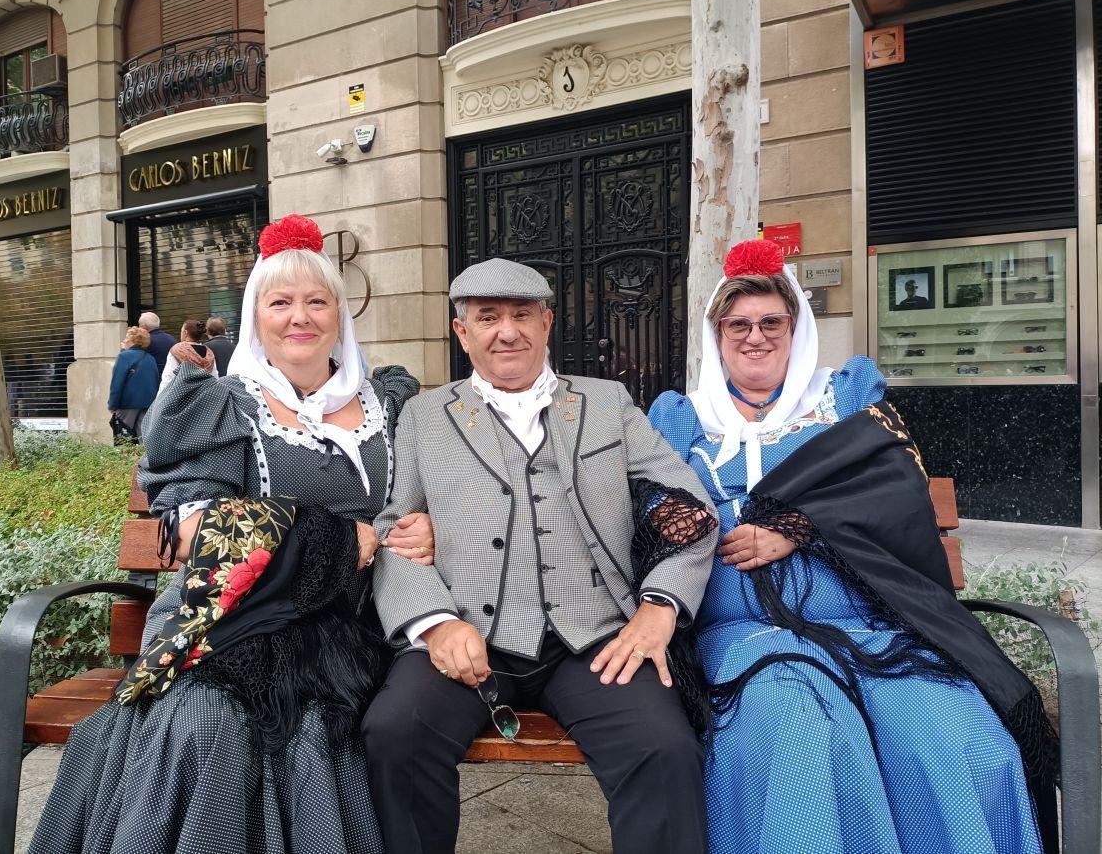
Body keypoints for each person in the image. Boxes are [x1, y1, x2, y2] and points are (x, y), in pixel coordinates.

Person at [29, 215, 434, 854]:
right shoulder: (221, 404)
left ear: (339, 316)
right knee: (207, 724)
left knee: (308, 727)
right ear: (255, 316)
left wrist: (422, 523)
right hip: (227, 616)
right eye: (280, 302)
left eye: (316, 301)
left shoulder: (390, 404)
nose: (299, 317)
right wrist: (337, 540)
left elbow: (432, 494)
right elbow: (194, 532)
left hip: (346, 626)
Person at [648, 239, 1054, 854]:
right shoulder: (684, 424)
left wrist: (797, 527)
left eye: (770, 322)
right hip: (745, 634)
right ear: (717, 334)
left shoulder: (841, 408)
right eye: (738, 325)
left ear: (795, 326)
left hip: (861, 624)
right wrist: (677, 515)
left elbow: (897, 500)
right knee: (792, 720)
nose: (754, 337)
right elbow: (646, 512)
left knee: (944, 724)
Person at [365, 258, 719, 854]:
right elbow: (392, 532)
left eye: (522, 314)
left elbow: (693, 506)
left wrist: (660, 607)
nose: (508, 331)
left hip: (593, 636)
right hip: (468, 634)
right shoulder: (425, 417)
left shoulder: (608, 403)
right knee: (394, 733)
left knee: (663, 748)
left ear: (547, 322)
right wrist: (435, 622)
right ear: (462, 333)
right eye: (488, 318)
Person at [106, 326, 158, 442]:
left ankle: (126, 460)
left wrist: (112, 405)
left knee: (124, 438)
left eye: (127, 338)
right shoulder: (150, 358)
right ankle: (143, 460)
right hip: (148, 403)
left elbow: (117, 383)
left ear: (133, 340)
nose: (124, 340)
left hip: (127, 404)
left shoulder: (124, 356)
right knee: (143, 438)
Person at [156, 318, 217, 394]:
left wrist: (160, 399)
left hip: (183, 397)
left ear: (185, 332)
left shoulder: (178, 350)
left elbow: (168, 378)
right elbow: (215, 377)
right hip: (204, 397)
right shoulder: (209, 353)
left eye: (181, 331)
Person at [138, 311, 175, 375]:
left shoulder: (144, 342)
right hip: (170, 379)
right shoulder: (172, 339)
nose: (138, 328)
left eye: (139, 325)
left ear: (144, 327)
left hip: (152, 379)